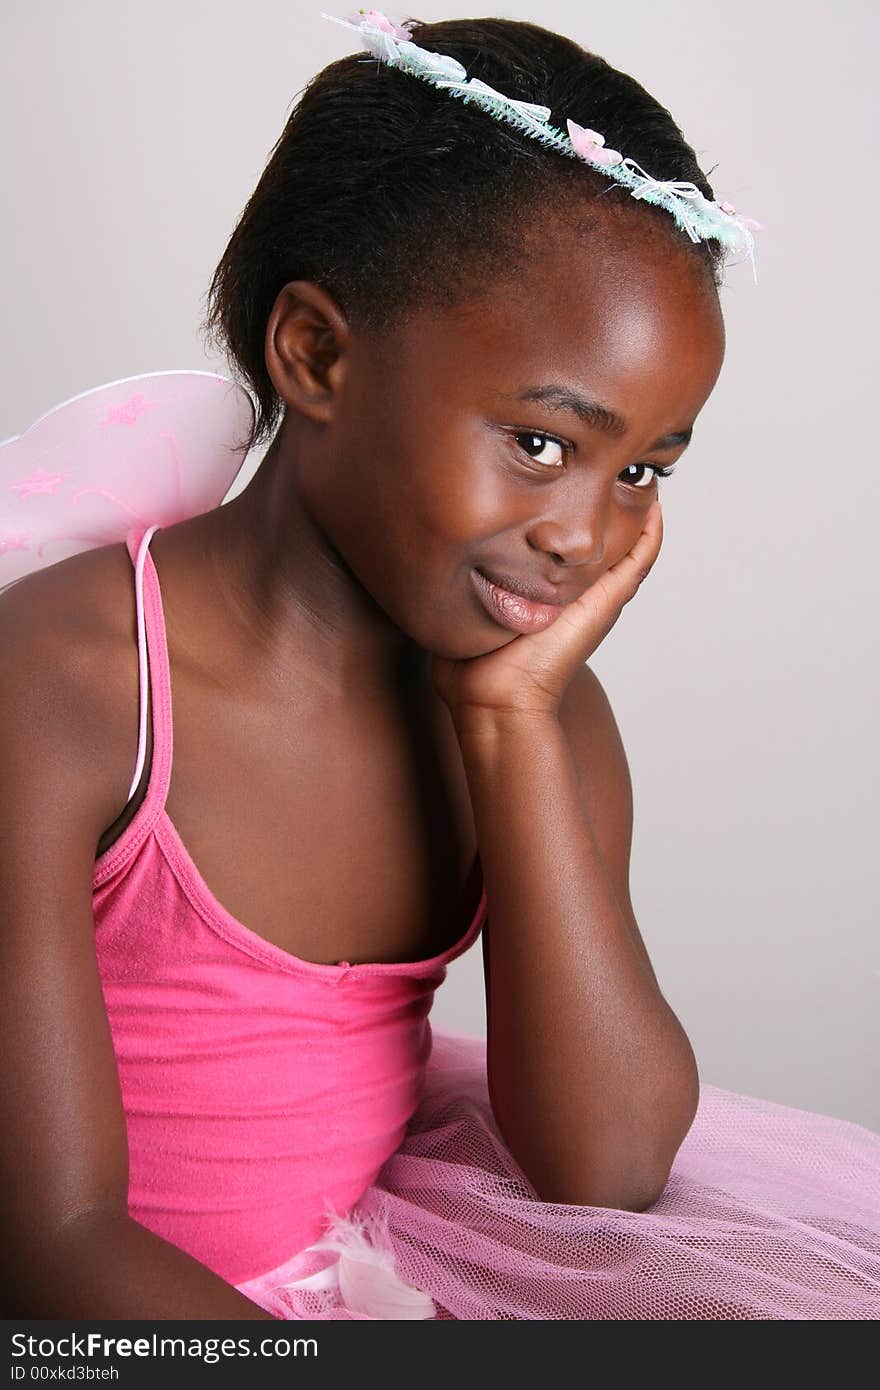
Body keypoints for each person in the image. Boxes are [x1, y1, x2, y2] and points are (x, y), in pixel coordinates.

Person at [1, 10, 877, 1321]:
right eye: (539, 442)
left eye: (640, 469)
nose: (584, 533)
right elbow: (57, 1244)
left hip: (356, 1269)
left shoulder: (536, 713)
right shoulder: (70, 686)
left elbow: (609, 1159)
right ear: (319, 354)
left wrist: (515, 728)